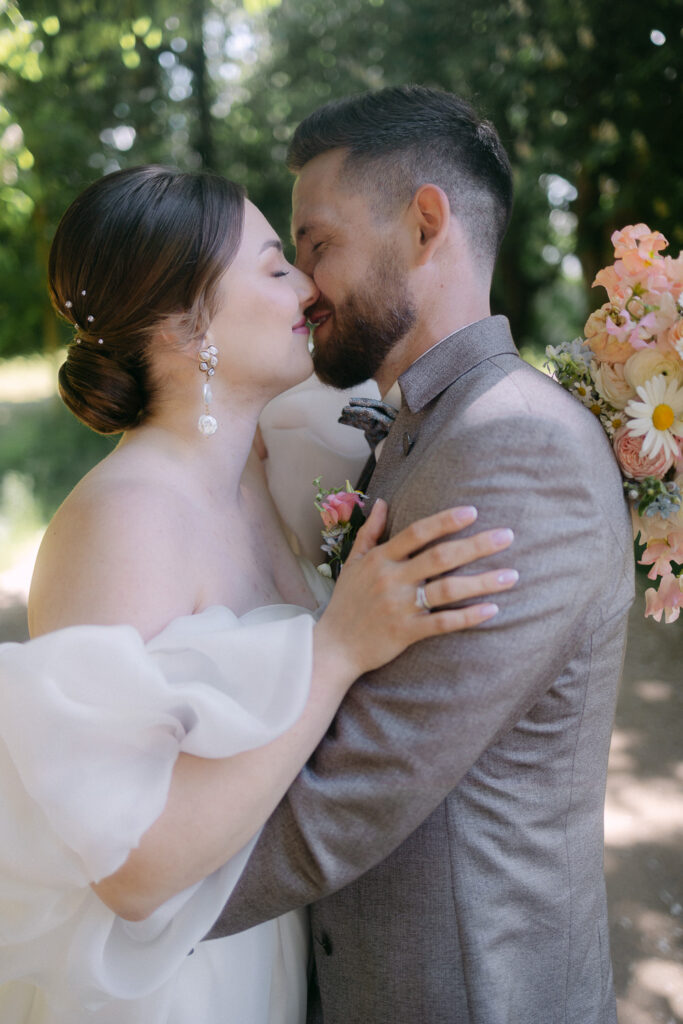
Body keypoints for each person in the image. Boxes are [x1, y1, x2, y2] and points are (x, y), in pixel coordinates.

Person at [0, 165, 516, 1023]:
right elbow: (131, 867)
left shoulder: (265, 471)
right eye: (276, 267)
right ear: (181, 321)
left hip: (270, 956)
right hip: (181, 990)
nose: (308, 288)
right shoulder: (123, 523)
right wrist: (338, 647)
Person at [200, 86, 636, 1023]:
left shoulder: (518, 444)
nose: (304, 284)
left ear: (425, 222)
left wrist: (124, 905)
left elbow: (359, 786)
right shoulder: (426, 425)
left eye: (316, 245)